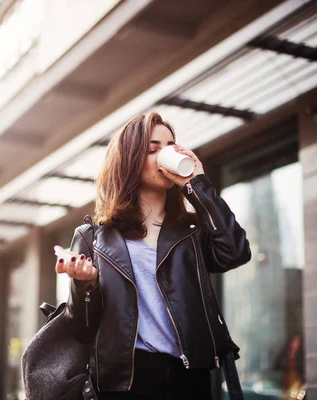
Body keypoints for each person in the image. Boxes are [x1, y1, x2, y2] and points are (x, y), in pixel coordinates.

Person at [53, 111, 251, 399]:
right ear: (130, 160)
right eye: (153, 149)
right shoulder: (93, 237)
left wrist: (198, 185)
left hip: (189, 380)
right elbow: (82, 330)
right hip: (125, 383)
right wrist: (84, 284)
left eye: (170, 146)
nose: (164, 155)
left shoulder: (191, 231)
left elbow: (235, 253)